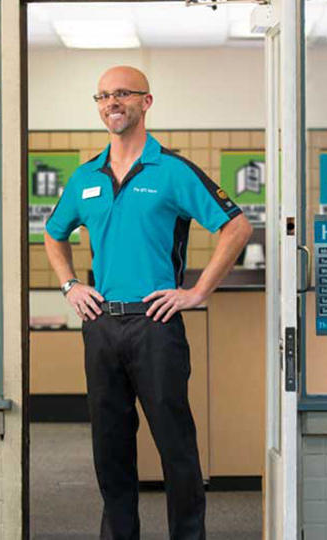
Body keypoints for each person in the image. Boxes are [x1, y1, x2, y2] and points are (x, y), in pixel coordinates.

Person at [43, 65, 253, 540]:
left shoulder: (172, 170)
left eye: (121, 94)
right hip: (100, 324)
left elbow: (236, 226)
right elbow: (54, 235)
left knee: (175, 445)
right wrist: (70, 285)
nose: (111, 103)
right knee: (109, 446)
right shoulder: (84, 177)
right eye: (102, 96)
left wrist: (198, 292)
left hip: (155, 325)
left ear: (146, 102)